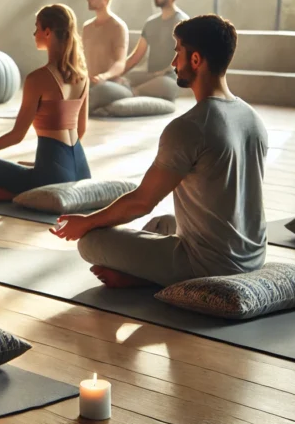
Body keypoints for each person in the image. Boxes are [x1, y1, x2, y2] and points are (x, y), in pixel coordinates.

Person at [53, 15, 268, 288]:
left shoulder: (190, 127)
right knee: (162, 224)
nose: (173, 62)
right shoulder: (252, 117)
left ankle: (139, 279)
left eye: (178, 51)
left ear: (196, 60)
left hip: (208, 266)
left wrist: (86, 222)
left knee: (91, 242)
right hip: (252, 258)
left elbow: (142, 201)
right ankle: (139, 270)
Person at [0, 4, 91, 201]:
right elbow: (81, 130)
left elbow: (17, 135)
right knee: (24, 168)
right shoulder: (83, 77)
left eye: (37, 27)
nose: (34, 33)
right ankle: (33, 183)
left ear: (47, 32)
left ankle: (14, 196)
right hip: (81, 171)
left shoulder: (38, 78)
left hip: (53, 179)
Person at [117, 0, 190, 102]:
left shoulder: (181, 21)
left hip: (170, 78)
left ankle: (133, 92)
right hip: (150, 75)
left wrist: (164, 72)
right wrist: (115, 74)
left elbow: (184, 55)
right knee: (123, 79)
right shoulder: (150, 23)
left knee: (165, 84)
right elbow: (136, 55)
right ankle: (131, 90)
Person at [82, 0, 132, 111]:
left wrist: (103, 77)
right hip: (91, 84)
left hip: (111, 85)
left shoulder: (118, 27)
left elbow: (120, 63)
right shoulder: (87, 27)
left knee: (100, 89)